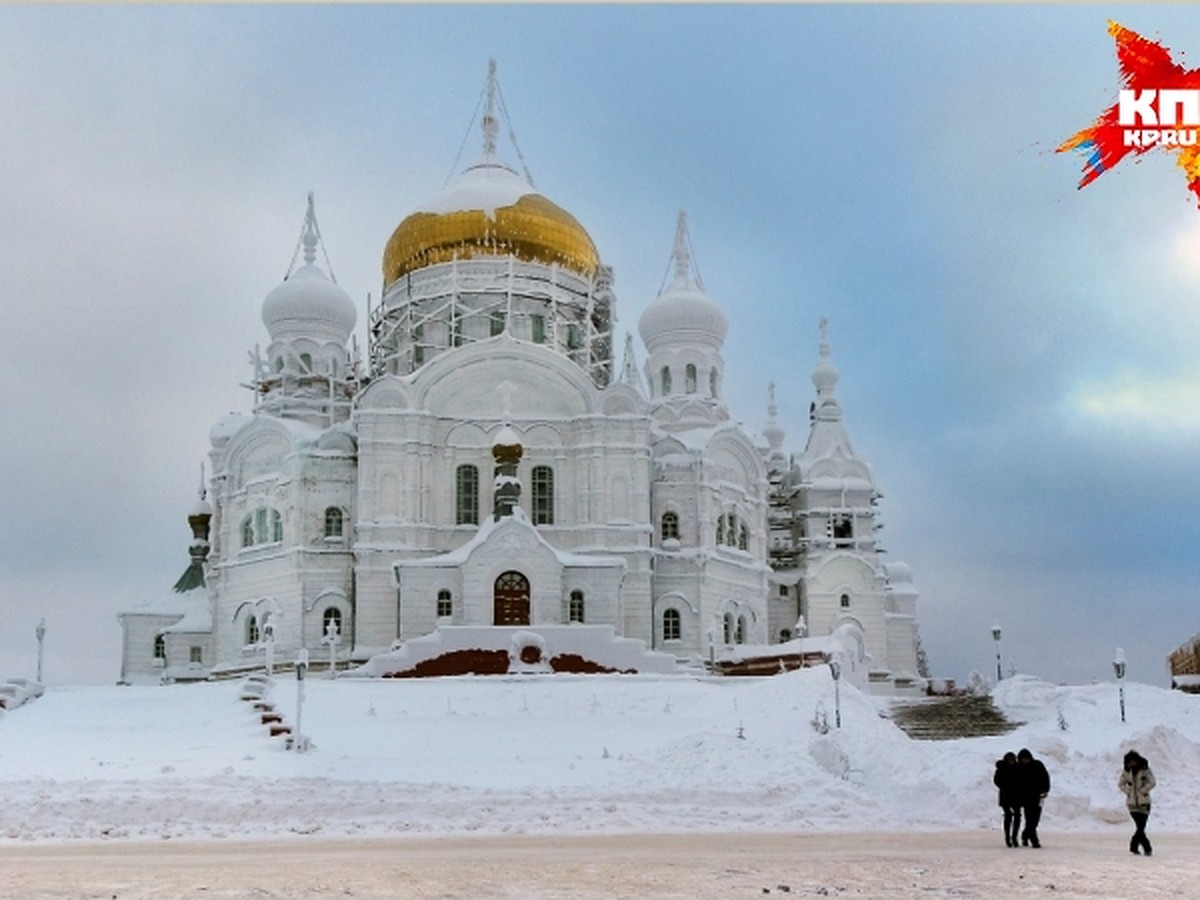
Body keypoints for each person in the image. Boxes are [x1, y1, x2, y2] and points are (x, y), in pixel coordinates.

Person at [1118, 750, 1156, 856]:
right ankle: (1145, 849)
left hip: (1144, 802)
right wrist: (1128, 792)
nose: (1131, 764)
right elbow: (1121, 784)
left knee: (1141, 827)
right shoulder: (1126, 772)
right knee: (1140, 827)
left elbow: (1152, 782)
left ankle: (1135, 846)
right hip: (1132, 804)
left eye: (1133, 761)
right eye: (1129, 762)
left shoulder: (1145, 770)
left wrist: (1143, 790)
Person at [1015, 748, 1050, 847]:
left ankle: (1025, 835)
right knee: (1029, 819)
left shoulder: (1037, 765)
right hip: (1025, 797)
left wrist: (1045, 790)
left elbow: (1045, 777)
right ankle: (1035, 841)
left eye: (1026, 758)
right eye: (1022, 759)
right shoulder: (1018, 768)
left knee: (1035, 820)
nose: (1024, 760)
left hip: (1037, 796)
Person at [993, 752, 1021, 848]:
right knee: (1008, 816)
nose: (1011, 762)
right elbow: (997, 781)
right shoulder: (1001, 769)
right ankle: (1007, 837)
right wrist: (1005, 786)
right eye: (1009, 760)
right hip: (1006, 795)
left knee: (1017, 816)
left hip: (1017, 795)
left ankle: (1014, 837)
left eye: (1012, 760)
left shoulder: (1018, 768)